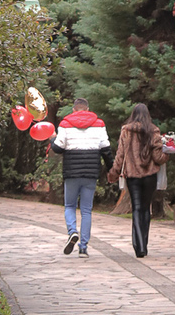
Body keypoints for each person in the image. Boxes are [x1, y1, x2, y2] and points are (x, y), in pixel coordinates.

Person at [51, 97, 112, 257]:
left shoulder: (65, 124)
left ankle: (72, 231)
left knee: (69, 206)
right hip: (91, 172)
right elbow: (106, 149)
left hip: (71, 171)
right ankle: (83, 248)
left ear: (74, 109)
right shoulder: (99, 124)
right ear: (88, 109)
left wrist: (52, 138)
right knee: (86, 210)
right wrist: (111, 168)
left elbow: (58, 148)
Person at [108, 102, 166, 258]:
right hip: (150, 175)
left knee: (137, 208)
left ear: (133, 114)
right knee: (146, 209)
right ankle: (144, 245)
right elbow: (158, 157)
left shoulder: (126, 131)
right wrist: (167, 154)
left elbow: (120, 155)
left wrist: (113, 173)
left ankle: (138, 246)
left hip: (132, 176)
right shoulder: (153, 131)